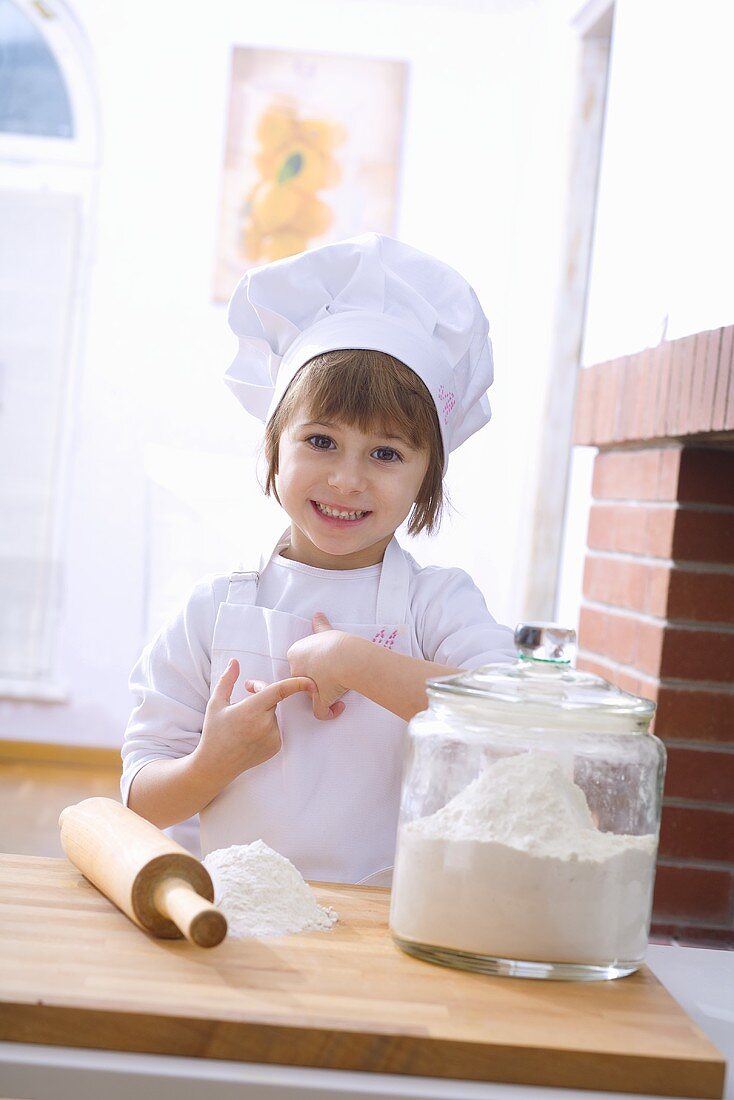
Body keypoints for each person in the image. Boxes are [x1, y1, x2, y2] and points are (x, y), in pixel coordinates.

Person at [121, 233, 515, 884]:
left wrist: (354, 661)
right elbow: (140, 799)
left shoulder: (437, 603)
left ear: (428, 477)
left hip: (395, 929)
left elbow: (506, 719)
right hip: (240, 921)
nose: (345, 479)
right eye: (321, 441)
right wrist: (212, 762)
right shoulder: (214, 608)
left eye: (386, 453)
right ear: (274, 447)